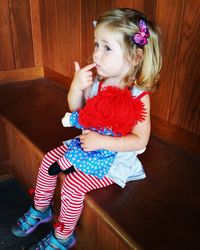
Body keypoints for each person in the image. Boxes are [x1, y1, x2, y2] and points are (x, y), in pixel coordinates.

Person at [11, 8, 162, 250]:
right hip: (85, 147)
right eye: (96, 45)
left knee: (72, 184)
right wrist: (76, 87)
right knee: (49, 160)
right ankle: (41, 209)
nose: (97, 54)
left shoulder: (138, 95)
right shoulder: (98, 84)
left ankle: (63, 237)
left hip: (112, 160)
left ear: (134, 57)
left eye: (107, 48)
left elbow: (139, 141)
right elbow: (76, 111)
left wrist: (103, 141)